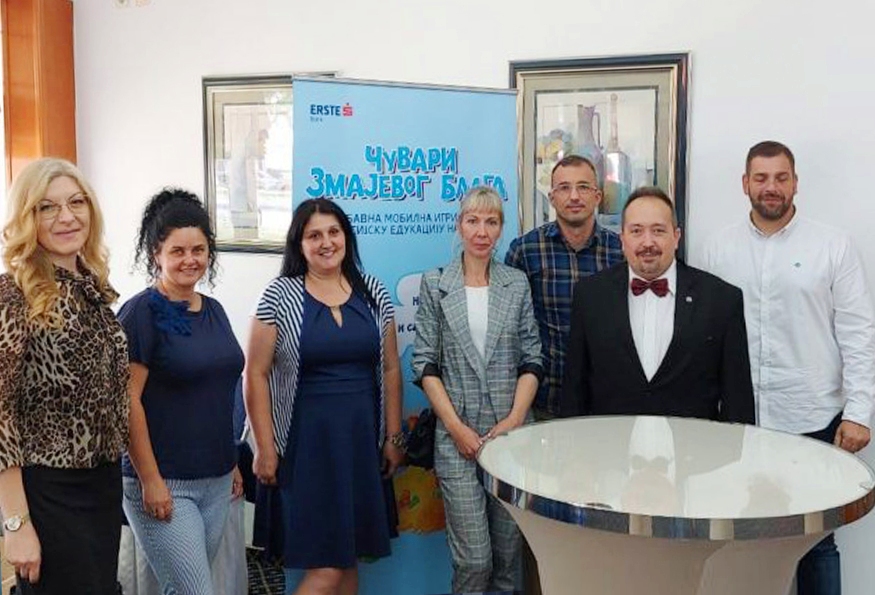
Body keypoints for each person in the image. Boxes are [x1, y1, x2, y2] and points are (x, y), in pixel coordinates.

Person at [701, 141, 875, 595]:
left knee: (815, 539)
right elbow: (705, 335)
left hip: (812, 417)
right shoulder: (718, 248)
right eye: (761, 178)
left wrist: (859, 412)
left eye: (781, 177)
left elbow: (858, 332)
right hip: (740, 422)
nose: (771, 187)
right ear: (745, 184)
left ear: (796, 182)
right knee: (742, 538)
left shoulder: (833, 246)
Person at [245, 198, 403, 595]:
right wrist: (265, 447)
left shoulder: (373, 292)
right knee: (328, 569)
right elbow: (256, 373)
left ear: (346, 237)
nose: (326, 242)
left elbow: (390, 369)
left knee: (347, 562)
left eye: (334, 232)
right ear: (299, 244)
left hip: (359, 445)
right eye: (314, 235)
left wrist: (393, 437)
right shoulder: (279, 296)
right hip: (304, 451)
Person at [0, 157, 129, 594]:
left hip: (103, 482)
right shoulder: (13, 293)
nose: (67, 217)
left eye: (77, 202)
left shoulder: (91, 288)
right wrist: (16, 523)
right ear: (27, 218)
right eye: (47, 207)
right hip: (49, 490)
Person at [413, 186, 543, 593]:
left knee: (508, 561)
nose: (481, 231)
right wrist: (456, 428)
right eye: (473, 221)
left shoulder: (516, 284)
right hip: (458, 440)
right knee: (474, 561)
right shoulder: (436, 284)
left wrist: (515, 420)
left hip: (510, 438)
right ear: (459, 226)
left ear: (501, 228)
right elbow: (425, 363)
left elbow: (532, 358)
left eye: (491, 222)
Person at [117, 188, 245, 595]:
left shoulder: (214, 310)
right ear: (156, 253)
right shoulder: (141, 313)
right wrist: (149, 479)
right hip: (165, 482)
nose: (190, 260)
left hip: (217, 478)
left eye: (199, 250)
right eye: (178, 251)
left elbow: (220, 390)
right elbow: (127, 400)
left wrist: (231, 462)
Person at [560, 186, 755, 424]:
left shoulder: (721, 300)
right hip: (610, 444)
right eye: (636, 231)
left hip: (694, 446)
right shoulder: (590, 296)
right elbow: (574, 391)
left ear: (676, 237)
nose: (648, 242)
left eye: (658, 231)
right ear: (622, 239)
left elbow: (738, 401)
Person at [505, 154, 623, 420]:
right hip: (543, 400)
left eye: (583, 187)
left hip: (606, 402)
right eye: (564, 188)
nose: (574, 196)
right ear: (552, 197)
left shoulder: (621, 252)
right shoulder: (525, 251)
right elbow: (510, 331)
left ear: (598, 196)